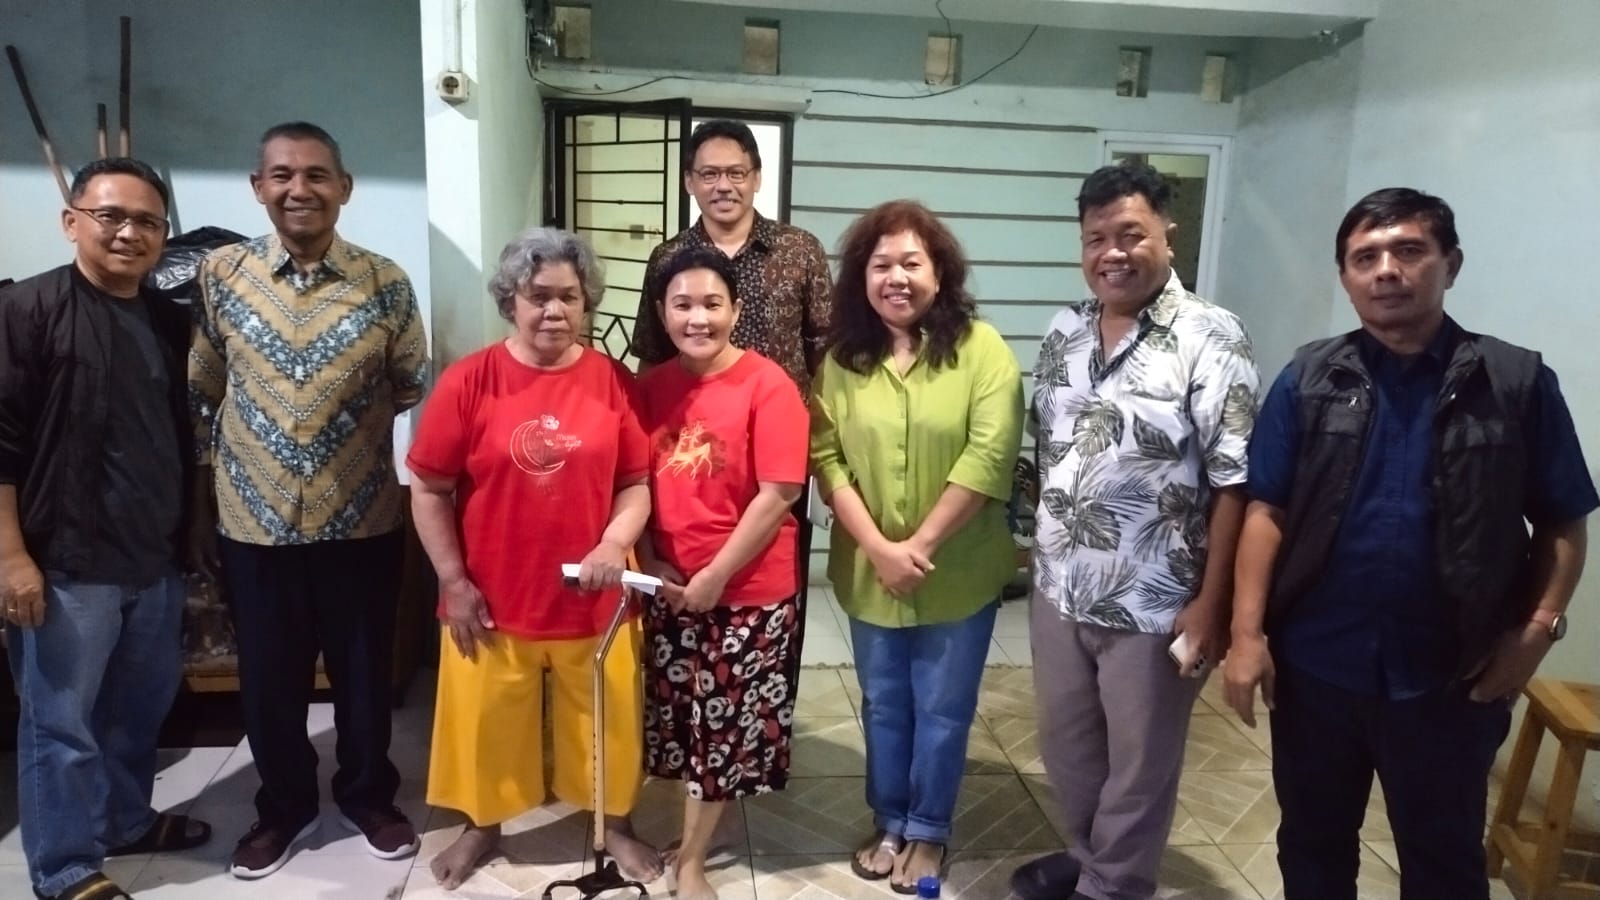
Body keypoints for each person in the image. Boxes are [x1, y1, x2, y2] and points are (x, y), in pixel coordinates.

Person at [1224, 187, 1596, 900]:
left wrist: (1536, 632)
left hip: (1452, 678)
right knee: (1311, 846)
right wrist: (1247, 635)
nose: (1386, 270)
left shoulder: (1514, 383)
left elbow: (1562, 519)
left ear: (1450, 264)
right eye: (1365, 257)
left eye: (1408, 251)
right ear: (1345, 277)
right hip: (1317, 670)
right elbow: (1266, 510)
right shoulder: (1308, 379)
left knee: (1444, 864)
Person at [188, 121, 430, 879]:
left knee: (364, 674)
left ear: (344, 187)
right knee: (270, 680)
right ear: (258, 187)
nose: (301, 189)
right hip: (252, 521)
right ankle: (284, 808)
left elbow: (409, 381)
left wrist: (335, 441)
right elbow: (204, 385)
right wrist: (209, 494)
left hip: (361, 517)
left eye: (317, 175)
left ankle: (368, 796)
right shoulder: (221, 275)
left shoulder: (384, 282)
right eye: (284, 175)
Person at [1014, 162, 1260, 900]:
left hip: (1156, 600)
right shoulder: (1064, 330)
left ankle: (1115, 885)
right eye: (1096, 239)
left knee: (1139, 762)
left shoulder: (1211, 335)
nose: (1112, 253)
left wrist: (1211, 605)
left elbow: (1236, 481)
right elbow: (1049, 449)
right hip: (1060, 588)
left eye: (1130, 235)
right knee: (1068, 749)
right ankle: (1093, 859)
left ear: (1168, 236)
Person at [407, 227, 662, 891]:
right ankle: (482, 826)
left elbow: (636, 482)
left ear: (587, 302)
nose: (554, 310)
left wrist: (613, 542)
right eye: (538, 296)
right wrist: (453, 580)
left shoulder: (612, 381)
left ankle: (615, 824)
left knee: (606, 721)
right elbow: (428, 488)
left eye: (569, 297)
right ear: (510, 301)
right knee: (486, 724)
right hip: (492, 597)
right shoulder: (471, 380)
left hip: (596, 595)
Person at [0, 158, 212, 900]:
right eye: (111, 216)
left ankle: (123, 822)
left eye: (147, 221)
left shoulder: (167, 319)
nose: (129, 233)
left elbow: (182, 437)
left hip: (153, 560)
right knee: (59, 725)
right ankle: (63, 868)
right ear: (72, 222)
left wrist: (191, 532)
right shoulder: (26, 309)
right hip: (66, 564)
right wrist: (11, 558)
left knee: (135, 713)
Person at [811, 200, 1023, 894]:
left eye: (911, 263)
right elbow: (826, 456)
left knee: (942, 706)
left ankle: (929, 830)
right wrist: (878, 547)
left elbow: (991, 455)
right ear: (861, 277)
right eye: (881, 265)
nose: (895, 278)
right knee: (882, 704)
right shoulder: (842, 360)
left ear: (939, 273)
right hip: (869, 570)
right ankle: (890, 821)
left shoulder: (982, 350)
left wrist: (920, 543)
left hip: (958, 571)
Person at [634, 248, 809, 900]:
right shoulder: (649, 387)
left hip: (746, 593)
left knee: (723, 729)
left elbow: (780, 492)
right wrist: (649, 557)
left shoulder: (769, 385)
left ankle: (692, 863)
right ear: (662, 313)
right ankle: (706, 826)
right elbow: (633, 483)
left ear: (735, 310)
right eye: (682, 305)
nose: (698, 318)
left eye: (712, 304)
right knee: (686, 723)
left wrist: (715, 575)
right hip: (671, 586)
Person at [631, 118, 833, 647]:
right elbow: (651, 358)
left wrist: (822, 453)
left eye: (737, 173)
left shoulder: (800, 250)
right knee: (679, 604)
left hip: (777, 467)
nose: (724, 185)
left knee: (773, 596)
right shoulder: (668, 258)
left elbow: (826, 356)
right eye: (710, 174)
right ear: (689, 181)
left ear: (757, 177)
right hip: (691, 463)